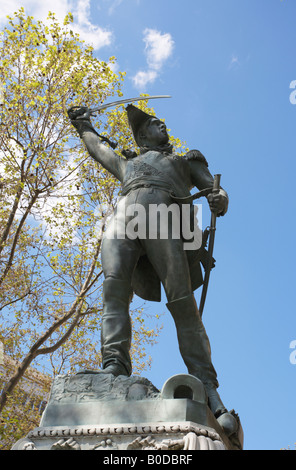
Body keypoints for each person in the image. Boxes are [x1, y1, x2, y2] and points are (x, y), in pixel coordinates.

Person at [67, 104, 229, 418]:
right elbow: (98, 147)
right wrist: (82, 123)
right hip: (122, 219)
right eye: (155, 123)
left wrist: (219, 197)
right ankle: (114, 364)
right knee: (113, 290)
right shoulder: (127, 164)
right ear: (143, 135)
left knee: (181, 299)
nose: (162, 124)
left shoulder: (184, 162)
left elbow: (214, 189)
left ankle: (208, 385)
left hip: (163, 218)